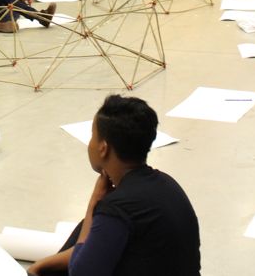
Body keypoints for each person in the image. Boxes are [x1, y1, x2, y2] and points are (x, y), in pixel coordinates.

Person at [27, 95, 200, 276]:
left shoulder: (118, 207)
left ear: (103, 148)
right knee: (85, 227)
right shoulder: (166, 183)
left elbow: (79, 272)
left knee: (85, 231)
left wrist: (95, 202)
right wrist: (41, 264)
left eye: (92, 136)